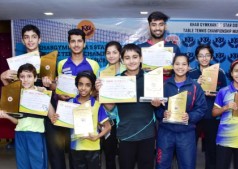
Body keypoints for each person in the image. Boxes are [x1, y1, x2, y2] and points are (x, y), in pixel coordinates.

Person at [96, 44, 161, 169]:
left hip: (147, 131)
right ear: (122, 60)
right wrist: (101, 92)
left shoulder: (151, 78)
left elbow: (157, 104)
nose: (131, 61)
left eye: (135, 57)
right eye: (127, 58)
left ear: (141, 58)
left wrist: (156, 104)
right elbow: (110, 107)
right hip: (125, 132)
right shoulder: (117, 80)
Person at [44, 28, 100, 169]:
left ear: (84, 43)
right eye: (73, 41)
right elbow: (57, 87)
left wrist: (89, 94)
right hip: (66, 111)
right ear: (68, 44)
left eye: (79, 41)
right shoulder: (61, 64)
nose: (76, 44)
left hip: (85, 113)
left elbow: (96, 90)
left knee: (81, 151)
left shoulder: (93, 64)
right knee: (63, 150)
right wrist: (58, 94)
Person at [51, 70, 111, 169]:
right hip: (75, 148)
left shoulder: (96, 105)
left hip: (93, 148)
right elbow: (60, 122)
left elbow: (108, 127)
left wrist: (97, 137)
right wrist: (55, 119)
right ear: (76, 85)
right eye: (80, 84)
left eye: (88, 85)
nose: (83, 88)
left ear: (92, 87)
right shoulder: (69, 103)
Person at [155, 54, 207, 169]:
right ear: (172, 66)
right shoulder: (164, 85)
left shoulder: (195, 86)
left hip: (186, 133)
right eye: (177, 64)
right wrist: (162, 113)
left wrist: (190, 116)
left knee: (187, 165)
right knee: (161, 165)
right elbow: (156, 107)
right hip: (165, 132)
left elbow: (202, 108)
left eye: (184, 64)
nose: (180, 67)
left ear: (188, 67)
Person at [0, 63, 54, 169]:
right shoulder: (16, 95)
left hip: (36, 135)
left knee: (38, 165)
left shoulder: (40, 92)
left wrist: (45, 96)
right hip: (20, 134)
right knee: (23, 165)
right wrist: (6, 116)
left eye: (29, 76)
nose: (25, 80)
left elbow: (52, 117)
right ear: (18, 78)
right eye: (22, 77)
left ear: (35, 78)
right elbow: (17, 121)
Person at [189, 44, 227, 169]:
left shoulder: (219, 73)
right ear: (196, 58)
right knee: (189, 148)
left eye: (207, 55)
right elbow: (185, 94)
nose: (204, 58)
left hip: (212, 116)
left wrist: (214, 93)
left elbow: (224, 94)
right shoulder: (191, 74)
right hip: (194, 117)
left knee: (212, 149)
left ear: (211, 57)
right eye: (201, 56)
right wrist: (196, 83)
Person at [99, 41, 126, 169]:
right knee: (109, 154)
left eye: (114, 52)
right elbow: (96, 95)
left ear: (120, 54)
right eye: (108, 53)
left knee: (126, 155)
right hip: (108, 119)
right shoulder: (101, 71)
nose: (111, 55)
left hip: (126, 119)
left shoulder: (128, 70)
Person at [139, 11, 181, 80]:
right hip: (147, 87)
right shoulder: (140, 48)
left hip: (169, 88)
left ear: (165, 26)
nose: (157, 28)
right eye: (154, 25)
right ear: (149, 27)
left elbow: (181, 69)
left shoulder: (174, 48)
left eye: (161, 24)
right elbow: (135, 72)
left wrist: (172, 71)